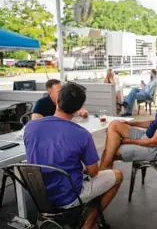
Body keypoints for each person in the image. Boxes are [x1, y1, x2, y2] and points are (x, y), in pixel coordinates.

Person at [24, 82, 123, 229]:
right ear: (78, 109)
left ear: (57, 100)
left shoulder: (30, 127)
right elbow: (93, 172)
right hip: (68, 196)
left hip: (38, 195)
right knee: (117, 175)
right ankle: (88, 224)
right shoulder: (82, 134)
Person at [100, 77, 157, 170]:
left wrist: (130, 141)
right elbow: (154, 123)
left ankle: (102, 178)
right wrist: (132, 123)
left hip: (153, 149)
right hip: (146, 136)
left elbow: (153, 142)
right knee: (114, 124)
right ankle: (104, 177)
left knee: (110, 151)